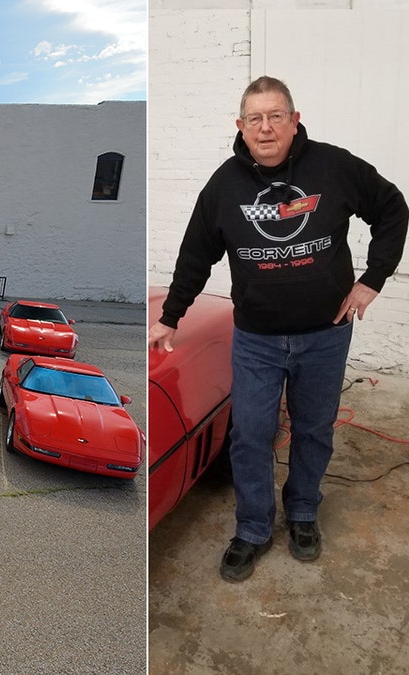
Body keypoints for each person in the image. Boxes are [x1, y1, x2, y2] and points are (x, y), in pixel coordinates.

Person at [149, 76, 408, 583]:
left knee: (313, 430)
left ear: (294, 120)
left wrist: (372, 280)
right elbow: (195, 256)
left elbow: (392, 209)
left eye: (274, 116)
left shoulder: (333, 166)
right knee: (250, 435)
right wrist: (170, 316)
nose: (265, 128)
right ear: (240, 126)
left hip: (325, 335)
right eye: (254, 118)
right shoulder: (224, 186)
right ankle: (252, 528)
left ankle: (304, 513)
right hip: (257, 341)